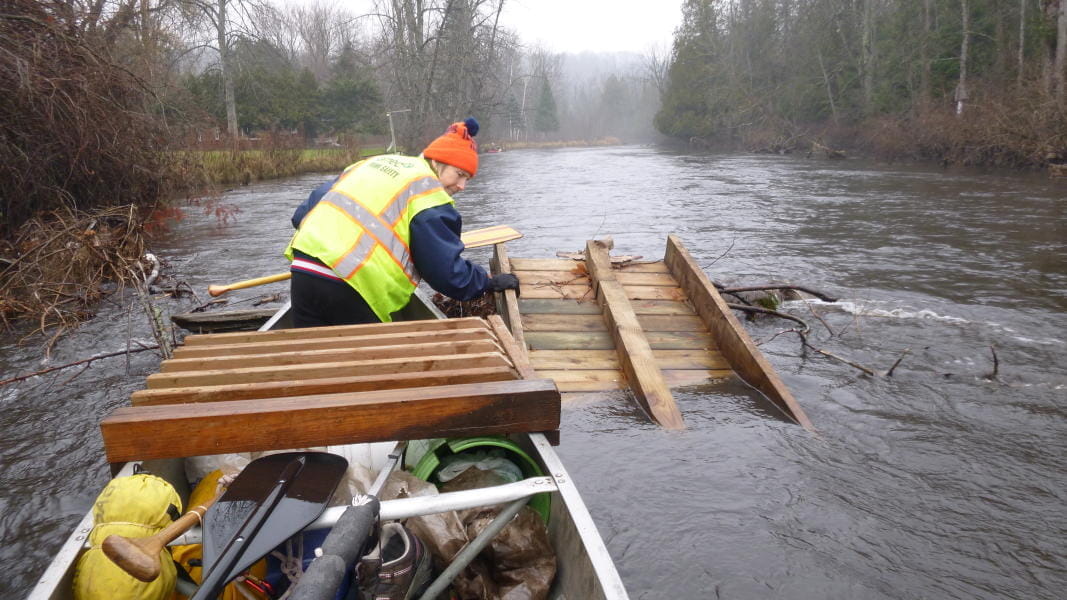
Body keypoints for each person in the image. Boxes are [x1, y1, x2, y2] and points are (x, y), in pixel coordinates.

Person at [284, 118, 519, 327]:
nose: (461, 186)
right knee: (363, 368)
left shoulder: (371, 164)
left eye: (467, 179)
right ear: (438, 162)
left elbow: (301, 215)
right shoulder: (428, 192)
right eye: (459, 175)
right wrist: (487, 283)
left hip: (304, 271)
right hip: (354, 285)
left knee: (314, 359)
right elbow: (445, 272)